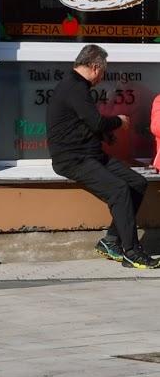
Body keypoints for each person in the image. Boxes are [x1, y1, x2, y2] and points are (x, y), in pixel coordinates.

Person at [46, 44, 158, 269]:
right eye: (103, 72)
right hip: (73, 160)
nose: (103, 77)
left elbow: (81, 123)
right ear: (95, 67)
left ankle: (110, 241)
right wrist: (120, 121)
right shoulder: (74, 88)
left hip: (91, 155)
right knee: (119, 190)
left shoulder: (76, 86)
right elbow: (96, 121)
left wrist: (105, 136)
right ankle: (131, 252)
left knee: (137, 182)